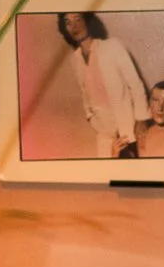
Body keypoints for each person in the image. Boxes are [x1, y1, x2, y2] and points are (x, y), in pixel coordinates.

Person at [55, 8, 145, 157]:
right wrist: (90, 117)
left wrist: (141, 120)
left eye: (78, 19)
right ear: (65, 29)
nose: (74, 27)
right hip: (104, 134)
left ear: (87, 21)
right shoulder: (75, 59)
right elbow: (85, 93)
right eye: (68, 23)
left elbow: (135, 84)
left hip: (128, 129)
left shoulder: (112, 46)